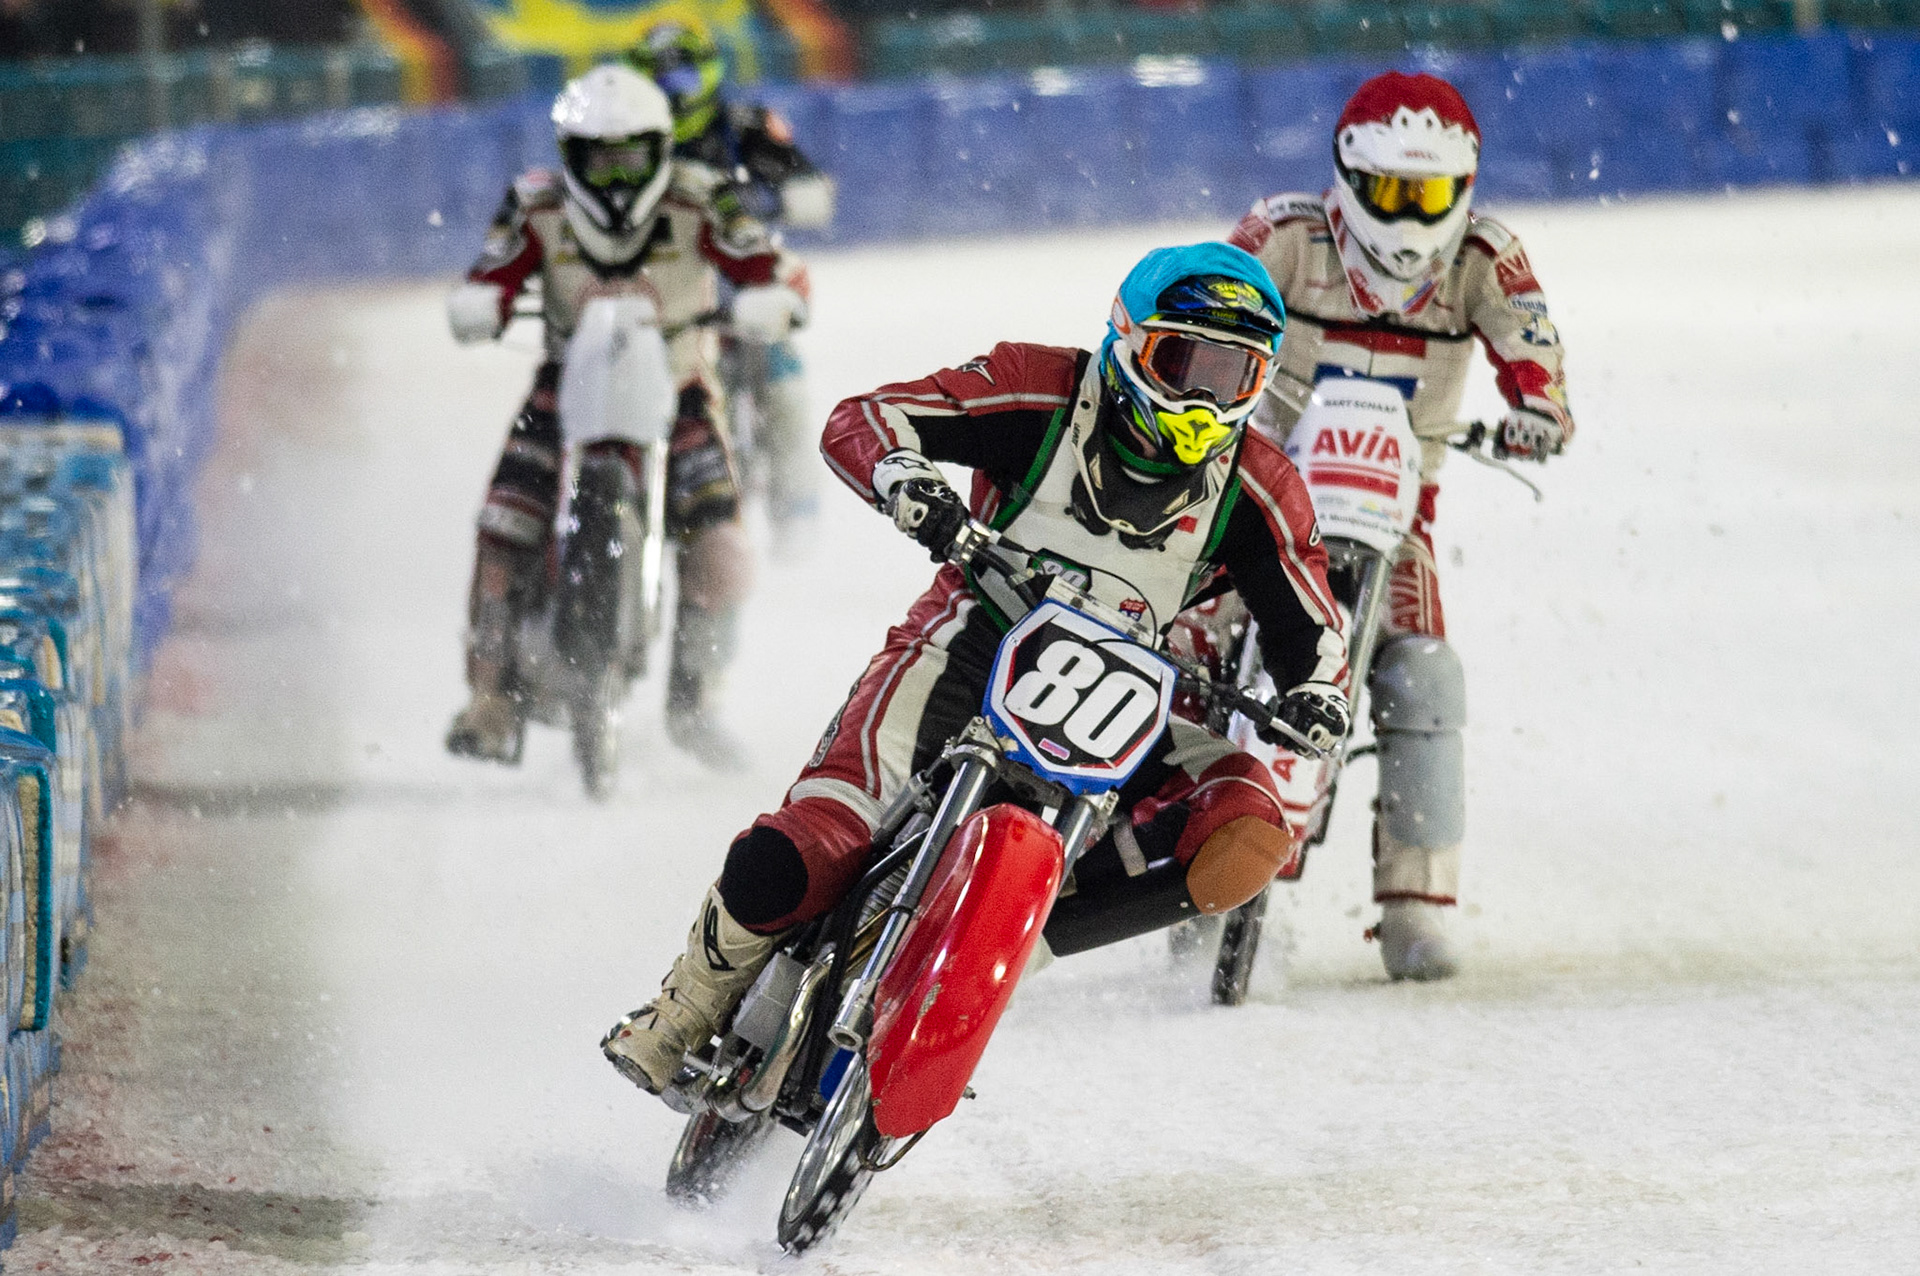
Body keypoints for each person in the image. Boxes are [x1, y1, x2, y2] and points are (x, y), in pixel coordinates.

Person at [602, 242, 1352, 1094]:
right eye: (1183, 363)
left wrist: (1318, 694)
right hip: (968, 644)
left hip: (1123, 699)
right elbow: (868, 417)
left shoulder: (1261, 485)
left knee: (1247, 834)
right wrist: (906, 481)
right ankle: (683, 1007)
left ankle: (1011, 943)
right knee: (813, 846)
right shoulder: (1038, 386)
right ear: (1128, 342)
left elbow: (1311, 617)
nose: (1203, 399)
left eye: (1234, 375)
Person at [1218, 69, 1577, 980]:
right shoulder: (1283, 237)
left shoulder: (1486, 259)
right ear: (1346, 175)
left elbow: (1534, 347)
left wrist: (1541, 408)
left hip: (1397, 515)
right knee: (1190, 646)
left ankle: (1417, 903)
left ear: (1464, 190)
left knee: (1423, 677)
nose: (1409, 219)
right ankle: (1166, 840)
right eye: (1389, 192)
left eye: (1429, 197)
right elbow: (1207, 311)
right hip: (1255, 500)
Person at [442, 64, 810, 769]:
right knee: (501, 533)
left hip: (681, 384)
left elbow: (766, 261)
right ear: (569, 154)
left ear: (660, 147)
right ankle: (487, 702)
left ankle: (698, 703)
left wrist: (775, 295)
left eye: (629, 156)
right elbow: (490, 271)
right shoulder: (532, 203)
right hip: (563, 383)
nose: (614, 176)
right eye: (597, 157)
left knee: (724, 553)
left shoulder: (703, 198)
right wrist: (480, 303)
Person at [626, 21, 837, 536]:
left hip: (737, 279)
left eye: (680, 79)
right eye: (659, 82)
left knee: (779, 368)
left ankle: (796, 499)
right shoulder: (624, 138)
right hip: (659, 284)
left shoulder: (744, 125)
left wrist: (789, 195)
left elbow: (803, 179)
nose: (673, 94)